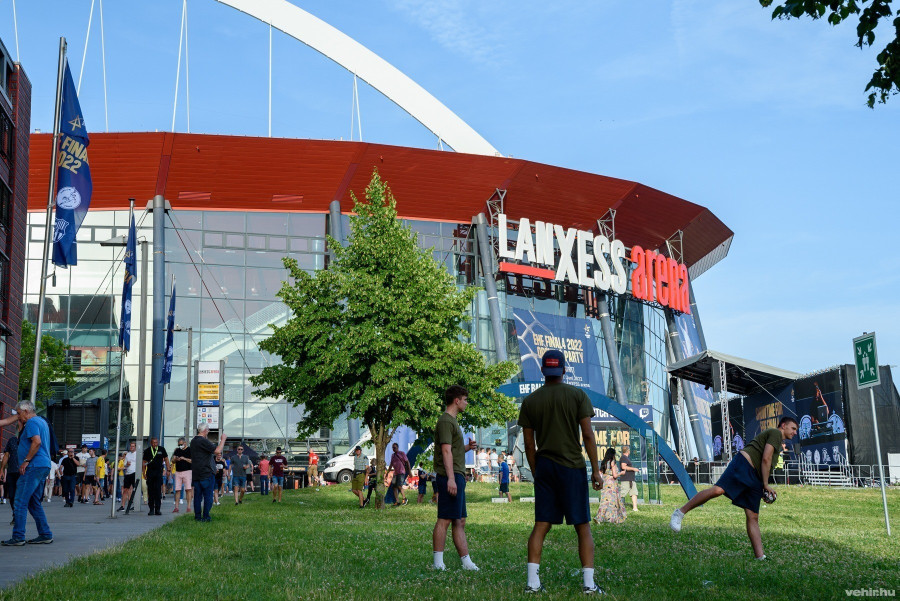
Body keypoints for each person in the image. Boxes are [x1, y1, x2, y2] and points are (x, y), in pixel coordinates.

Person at [518, 349, 602, 594]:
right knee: (582, 526)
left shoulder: (530, 401)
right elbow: (588, 435)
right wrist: (596, 470)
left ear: (542, 370)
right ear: (564, 370)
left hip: (545, 467)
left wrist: (537, 471)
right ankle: (589, 585)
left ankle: (532, 583)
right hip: (572, 468)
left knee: (541, 525)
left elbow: (529, 444)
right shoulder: (578, 395)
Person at [671, 416, 800, 560]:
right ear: (783, 425)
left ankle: (760, 557)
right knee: (718, 490)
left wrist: (763, 486)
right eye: (793, 428)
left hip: (756, 478)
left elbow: (766, 464)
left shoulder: (778, 442)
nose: (795, 432)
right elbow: (766, 458)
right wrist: (765, 484)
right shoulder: (776, 433)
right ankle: (679, 512)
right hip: (744, 464)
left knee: (753, 516)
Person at [432, 385, 480, 571]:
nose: (467, 403)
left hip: (457, 475)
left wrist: (467, 448)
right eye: (465, 400)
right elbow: (445, 451)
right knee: (444, 519)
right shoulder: (446, 421)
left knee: (459, 520)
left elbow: (452, 449)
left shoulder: (452, 421)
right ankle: (438, 563)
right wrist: (451, 479)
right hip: (449, 477)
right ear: (456, 400)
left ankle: (466, 562)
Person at [0, 401, 53, 545]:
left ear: (26, 411)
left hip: (33, 466)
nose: (18, 416)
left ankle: (18, 537)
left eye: (19, 413)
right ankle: (45, 534)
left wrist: (26, 460)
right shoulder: (41, 421)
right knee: (33, 503)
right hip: (42, 465)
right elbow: (6, 421)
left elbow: (37, 442)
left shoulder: (31, 423)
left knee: (20, 501)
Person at [190, 424, 227, 522]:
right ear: (205, 430)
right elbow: (217, 451)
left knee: (197, 497)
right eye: (208, 430)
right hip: (206, 473)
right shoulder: (203, 441)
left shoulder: (193, 441)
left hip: (196, 473)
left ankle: (198, 517)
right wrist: (223, 439)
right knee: (208, 496)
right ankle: (206, 516)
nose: (208, 432)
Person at [594, 448, 626, 524]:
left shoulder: (604, 462)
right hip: (612, 484)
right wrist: (621, 473)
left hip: (605, 483)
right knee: (613, 502)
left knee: (604, 501)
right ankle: (612, 518)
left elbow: (600, 473)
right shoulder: (612, 462)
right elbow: (615, 475)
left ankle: (599, 518)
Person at [142, 438, 169, 516]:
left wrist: (168, 469)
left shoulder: (161, 449)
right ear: (151, 443)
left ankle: (158, 509)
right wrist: (144, 473)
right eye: (153, 442)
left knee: (158, 491)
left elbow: (166, 459)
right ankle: (151, 509)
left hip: (158, 472)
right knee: (150, 491)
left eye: (156, 442)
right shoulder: (147, 450)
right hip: (150, 472)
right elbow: (144, 462)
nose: (155, 444)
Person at [1, 423, 20, 522]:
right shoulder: (12, 440)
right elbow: (6, 455)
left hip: (23, 473)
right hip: (11, 472)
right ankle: (15, 513)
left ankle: (18, 516)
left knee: (20, 496)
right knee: (11, 496)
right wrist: (2, 469)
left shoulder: (29, 440)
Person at [171, 438, 193, 513]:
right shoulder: (177, 450)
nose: (180, 446)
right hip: (178, 472)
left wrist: (184, 458)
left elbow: (192, 461)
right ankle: (176, 507)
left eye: (181, 444)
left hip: (187, 471)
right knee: (177, 490)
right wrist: (176, 459)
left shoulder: (190, 450)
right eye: (179, 444)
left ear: (185, 443)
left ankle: (188, 507)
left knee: (188, 489)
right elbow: (173, 460)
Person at [619, 446, 640, 512]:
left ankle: (635, 508)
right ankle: (616, 506)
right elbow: (623, 466)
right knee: (622, 494)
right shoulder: (623, 457)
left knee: (634, 493)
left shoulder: (626, 458)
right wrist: (633, 469)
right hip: (626, 479)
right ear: (628, 451)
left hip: (631, 479)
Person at [118, 442, 138, 514]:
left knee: (134, 489)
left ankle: (135, 505)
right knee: (125, 489)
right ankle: (122, 506)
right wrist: (127, 464)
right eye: (131, 446)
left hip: (134, 473)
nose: (131, 447)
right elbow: (124, 465)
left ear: (135, 447)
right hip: (128, 473)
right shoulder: (128, 454)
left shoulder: (138, 454)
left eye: (133, 446)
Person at [390, 442, 411, 506]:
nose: (394, 449)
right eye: (393, 448)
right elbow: (391, 464)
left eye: (395, 447)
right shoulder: (393, 455)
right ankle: (397, 501)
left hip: (401, 472)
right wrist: (388, 471)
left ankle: (404, 498)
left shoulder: (402, 453)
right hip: (395, 473)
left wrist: (409, 471)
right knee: (394, 487)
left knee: (399, 485)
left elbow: (407, 462)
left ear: (397, 447)